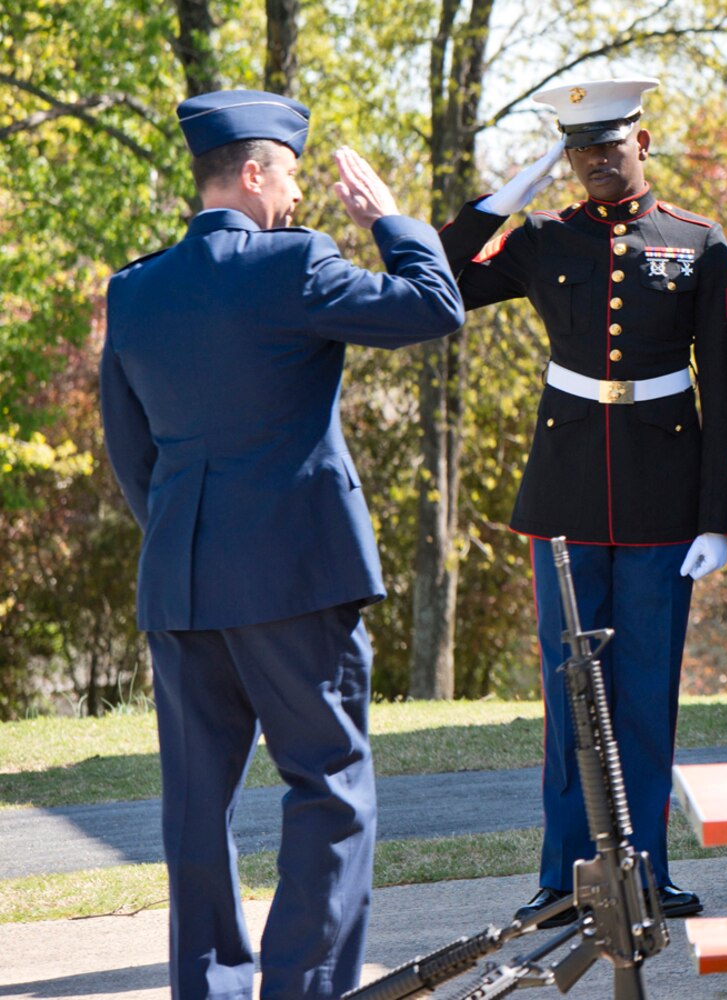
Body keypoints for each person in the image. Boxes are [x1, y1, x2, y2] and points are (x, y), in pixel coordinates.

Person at [100, 90, 464, 997]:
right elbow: (434, 306)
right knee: (332, 788)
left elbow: (129, 451)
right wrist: (390, 221)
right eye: (293, 175)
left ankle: (212, 988)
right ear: (255, 173)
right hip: (297, 580)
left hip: (182, 582)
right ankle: (302, 989)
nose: (299, 197)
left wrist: (191, 536)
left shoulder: (135, 289)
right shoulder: (295, 265)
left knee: (195, 810)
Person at [434, 77, 727, 923]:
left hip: (663, 496)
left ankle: (645, 870)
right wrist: (503, 200)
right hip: (566, 494)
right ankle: (568, 875)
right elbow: (439, 277)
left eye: (610, 146)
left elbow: (723, 386)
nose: (597, 162)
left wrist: (720, 515)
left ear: (643, 142)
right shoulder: (541, 238)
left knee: (646, 693)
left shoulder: (699, 243)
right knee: (572, 692)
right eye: (580, 150)